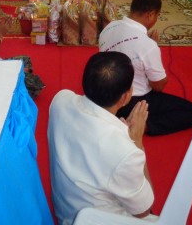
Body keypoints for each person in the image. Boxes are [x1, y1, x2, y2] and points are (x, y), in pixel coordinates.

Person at [48, 51, 154, 224]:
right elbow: (143, 211)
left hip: (65, 214)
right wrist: (137, 143)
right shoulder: (126, 151)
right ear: (125, 97)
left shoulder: (60, 101)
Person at [99, 0, 192, 136]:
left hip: (106, 95)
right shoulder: (148, 45)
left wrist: (148, 44)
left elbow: (127, 47)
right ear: (151, 14)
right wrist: (152, 46)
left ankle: (116, 117)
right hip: (132, 102)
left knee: (181, 105)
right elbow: (158, 86)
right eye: (157, 16)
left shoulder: (109, 27)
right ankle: (142, 125)